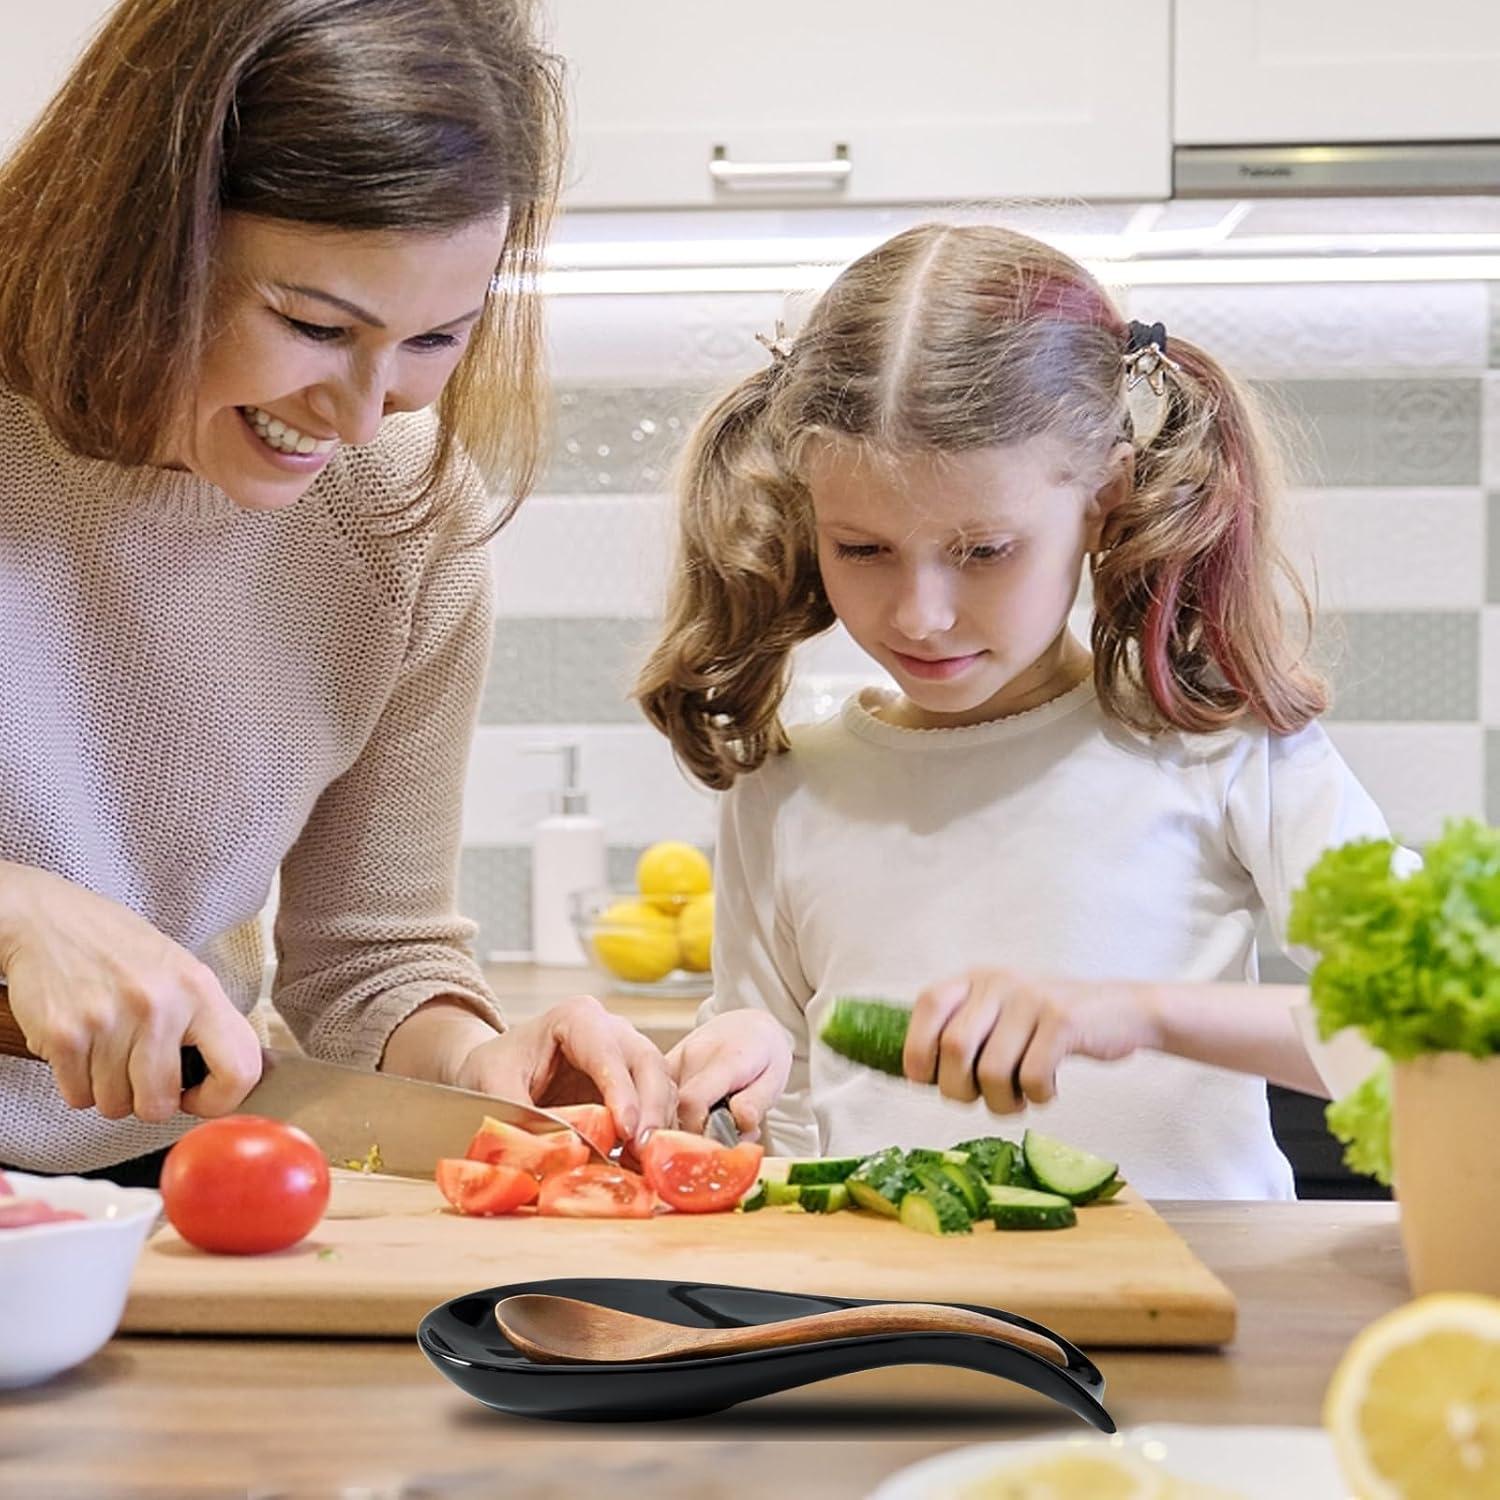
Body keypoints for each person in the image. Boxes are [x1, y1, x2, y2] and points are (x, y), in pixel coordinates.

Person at [0, 0, 673, 1184]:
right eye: (315, 324)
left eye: (436, 340)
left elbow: (370, 961)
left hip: (175, 1186)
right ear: (140, 236)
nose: (365, 417)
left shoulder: (403, 513)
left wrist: (477, 1064)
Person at [637, 223, 1408, 1199]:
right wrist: (742, 1049)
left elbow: (1432, 1042)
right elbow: (779, 1120)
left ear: (1104, 498)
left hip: (1192, 1321)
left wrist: (1145, 1015)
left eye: (985, 550)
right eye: (863, 549)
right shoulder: (785, 789)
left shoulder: (1227, 750)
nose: (920, 613)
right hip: (888, 1318)